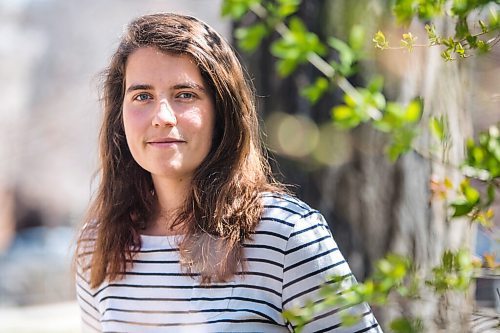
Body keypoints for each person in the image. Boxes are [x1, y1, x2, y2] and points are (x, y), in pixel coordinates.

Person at [75, 12, 383, 333]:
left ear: (222, 112)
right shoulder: (97, 246)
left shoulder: (285, 234)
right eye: (142, 96)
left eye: (185, 95)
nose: (162, 116)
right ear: (119, 114)